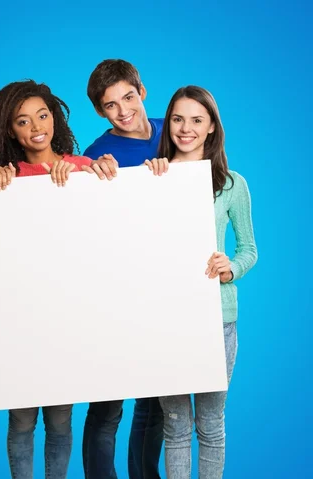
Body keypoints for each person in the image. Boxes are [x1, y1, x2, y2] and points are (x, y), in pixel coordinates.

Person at [0, 79, 116, 479]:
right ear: (10, 130)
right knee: (21, 422)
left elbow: (111, 229)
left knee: (59, 422)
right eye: (22, 121)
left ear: (53, 118)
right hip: (21, 319)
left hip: (68, 318)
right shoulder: (6, 178)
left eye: (42, 115)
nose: (35, 126)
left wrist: (103, 173)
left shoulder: (82, 168)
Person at [152, 86, 257, 479]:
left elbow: (249, 248)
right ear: (169, 123)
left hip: (217, 316)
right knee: (176, 424)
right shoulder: (151, 177)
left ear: (212, 127)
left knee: (210, 424)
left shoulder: (231, 184)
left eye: (197, 120)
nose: (186, 128)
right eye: (178, 119)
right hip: (167, 318)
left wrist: (229, 266)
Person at [82, 59, 165, 479]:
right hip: (116, 293)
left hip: (166, 289)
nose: (123, 110)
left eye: (128, 97)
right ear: (101, 111)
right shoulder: (96, 154)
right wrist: (90, 176)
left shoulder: (176, 129)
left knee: (154, 406)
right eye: (110, 105)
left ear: (142, 90)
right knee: (107, 405)